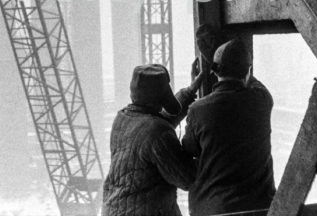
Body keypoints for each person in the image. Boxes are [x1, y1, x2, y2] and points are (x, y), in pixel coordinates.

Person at [182, 39, 275, 215]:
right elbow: (252, 81)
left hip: (213, 208)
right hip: (259, 207)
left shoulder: (198, 110)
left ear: (215, 71)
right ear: (248, 70)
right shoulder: (262, 100)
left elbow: (189, 150)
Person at [103, 64, 197, 216]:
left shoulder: (122, 119)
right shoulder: (157, 132)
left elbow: (154, 127)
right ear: (161, 99)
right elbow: (186, 178)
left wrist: (189, 92)